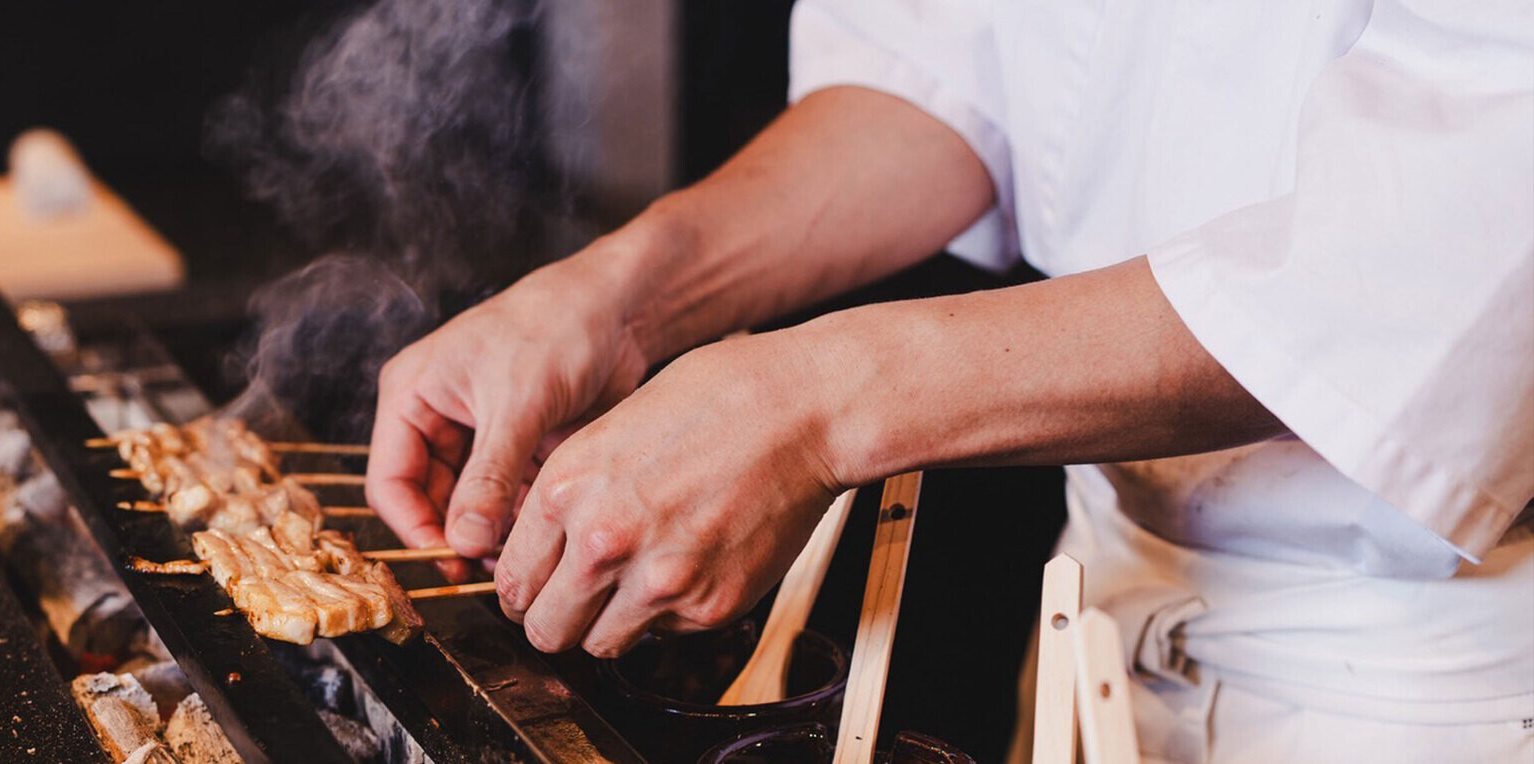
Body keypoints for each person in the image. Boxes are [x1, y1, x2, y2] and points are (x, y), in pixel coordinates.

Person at [364, 1, 1534, 760]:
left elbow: (1430, 258)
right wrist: (620, 291)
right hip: (1097, 609)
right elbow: (952, 68)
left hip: (1434, 684)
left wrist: (813, 402)